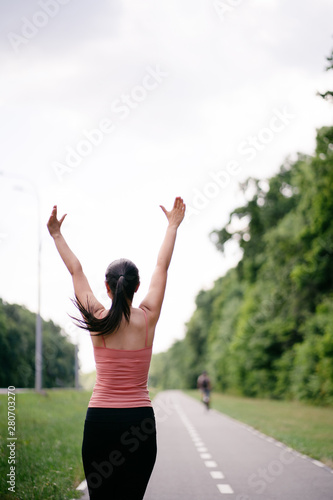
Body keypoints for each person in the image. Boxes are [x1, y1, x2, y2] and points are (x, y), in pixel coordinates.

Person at [47, 197, 186, 500]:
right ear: (137, 287)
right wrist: (172, 226)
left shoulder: (98, 319)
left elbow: (76, 271)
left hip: (100, 422)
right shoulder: (148, 318)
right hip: (139, 423)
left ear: (107, 287)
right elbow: (162, 266)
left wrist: (57, 234)